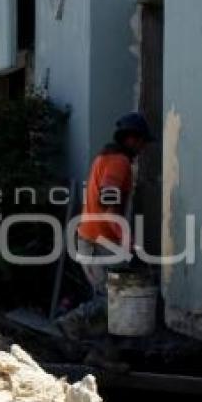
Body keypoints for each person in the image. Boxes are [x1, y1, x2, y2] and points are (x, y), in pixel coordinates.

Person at [58, 112, 154, 332]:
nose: (143, 148)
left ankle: (100, 350)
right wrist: (125, 239)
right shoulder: (119, 162)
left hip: (91, 238)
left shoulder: (104, 157)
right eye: (142, 142)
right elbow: (109, 203)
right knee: (113, 299)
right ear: (132, 138)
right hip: (98, 242)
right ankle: (68, 324)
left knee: (110, 298)